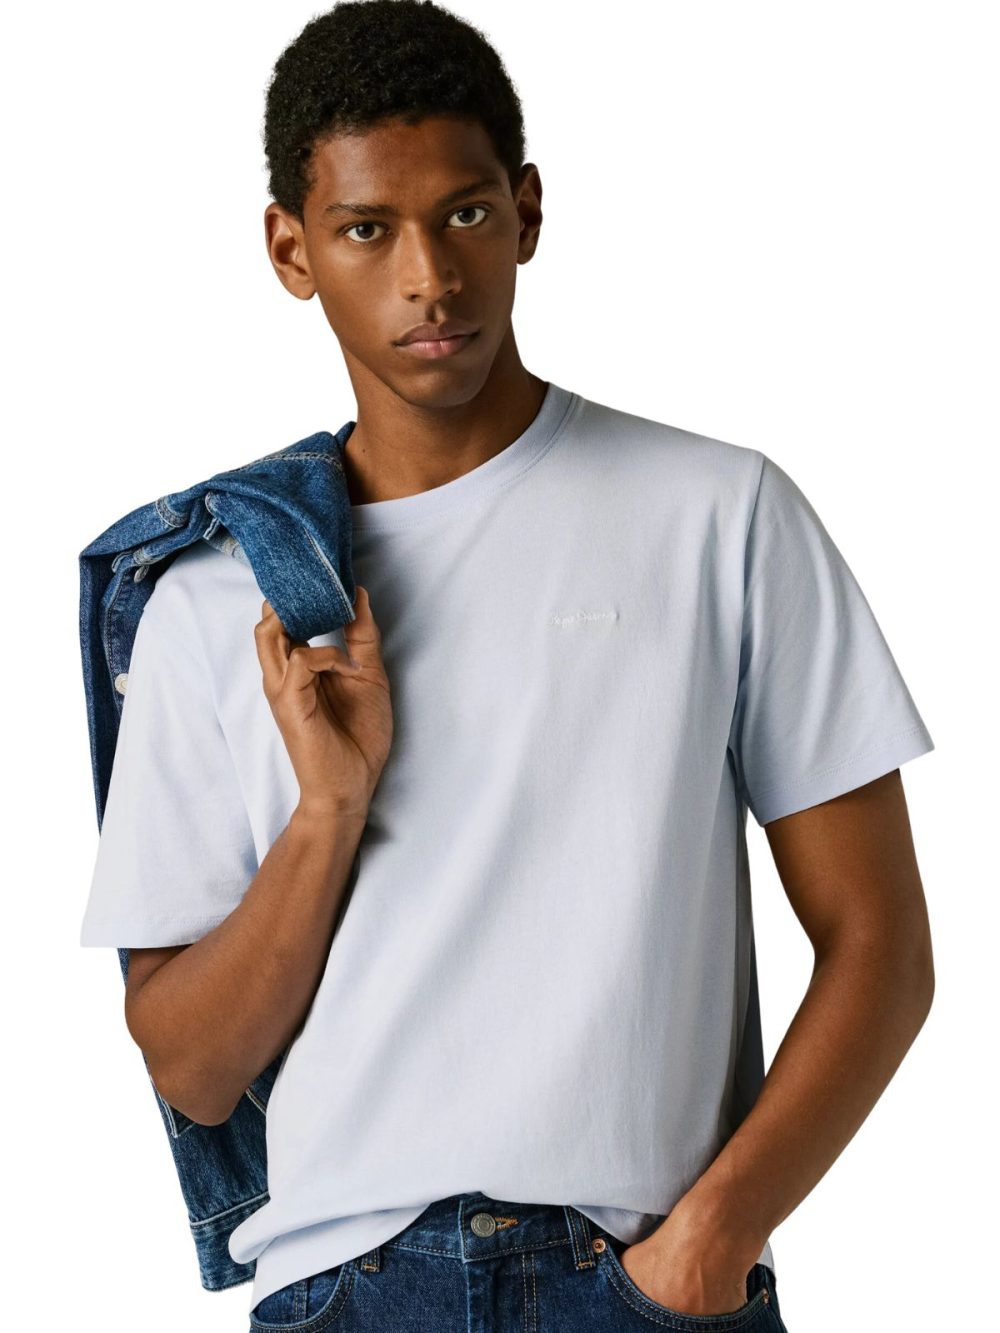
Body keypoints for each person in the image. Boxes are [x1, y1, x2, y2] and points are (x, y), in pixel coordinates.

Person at [79, 2, 936, 1329]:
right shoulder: (217, 590)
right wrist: (328, 812)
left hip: (646, 1275)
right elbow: (190, 1068)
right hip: (351, 1291)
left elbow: (880, 944)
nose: (430, 276)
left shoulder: (719, 514)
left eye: (466, 214)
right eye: (368, 229)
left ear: (527, 212)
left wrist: (712, 1240)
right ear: (292, 249)